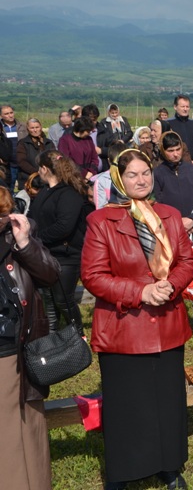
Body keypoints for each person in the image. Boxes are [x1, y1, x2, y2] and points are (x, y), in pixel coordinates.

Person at [81, 148, 193, 489]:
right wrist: (140, 292)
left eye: (145, 172)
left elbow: (187, 262)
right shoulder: (101, 221)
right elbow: (93, 275)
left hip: (167, 323)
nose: (141, 179)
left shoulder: (170, 216)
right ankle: (125, 472)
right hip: (123, 329)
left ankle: (169, 467)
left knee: (167, 403)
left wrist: (170, 286)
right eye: (132, 174)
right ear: (118, 178)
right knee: (128, 406)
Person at [0, 189, 60, 490]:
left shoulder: (15, 239)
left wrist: (24, 242)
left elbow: (51, 274)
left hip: (19, 348)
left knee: (28, 428)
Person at [153, 132, 193, 338]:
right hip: (170, 233)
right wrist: (175, 223)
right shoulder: (158, 174)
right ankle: (171, 321)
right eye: (170, 151)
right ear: (164, 151)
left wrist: (192, 219)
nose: (175, 155)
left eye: (178, 150)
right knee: (171, 276)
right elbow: (157, 203)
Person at [27, 150, 87, 335]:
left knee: (62, 298)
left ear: (44, 169)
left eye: (39, 168)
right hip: (45, 254)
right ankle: (52, 334)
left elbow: (64, 226)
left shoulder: (69, 193)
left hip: (66, 255)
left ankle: (78, 333)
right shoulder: (45, 191)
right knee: (48, 297)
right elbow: (33, 216)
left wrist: (36, 238)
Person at [16, 118, 54, 186]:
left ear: (41, 127)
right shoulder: (23, 143)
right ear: (28, 129)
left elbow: (53, 158)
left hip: (46, 178)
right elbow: (21, 161)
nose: (35, 130)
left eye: (37, 127)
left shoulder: (49, 143)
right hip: (28, 178)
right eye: (32, 128)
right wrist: (37, 172)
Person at [167, 94, 193, 164]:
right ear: (175, 107)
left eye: (187, 107)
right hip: (174, 164)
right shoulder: (168, 123)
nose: (185, 109)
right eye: (182, 106)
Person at [1, 104, 28, 188]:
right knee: (9, 187)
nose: (10, 115)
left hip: (22, 161)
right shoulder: (0, 128)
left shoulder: (23, 126)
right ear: (1, 115)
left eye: (11, 112)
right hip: (7, 164)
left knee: (24, 187)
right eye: (6, 114)